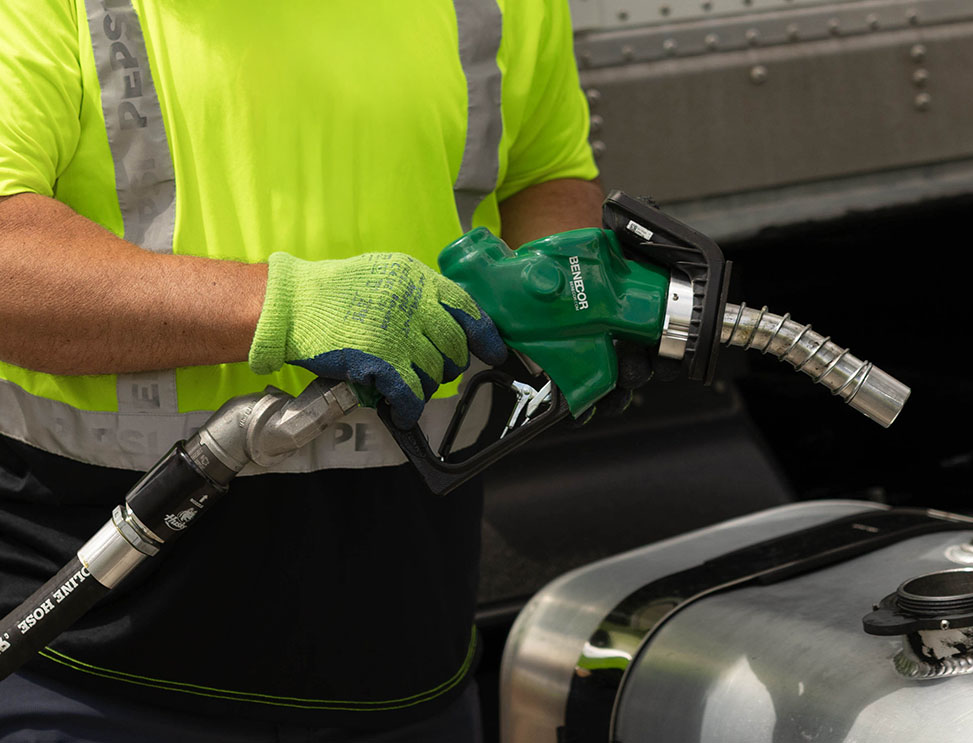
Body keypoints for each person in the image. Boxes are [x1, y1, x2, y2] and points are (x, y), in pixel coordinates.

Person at [0, 0, 602, 740]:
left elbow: (547, 176)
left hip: (410, 653)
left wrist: (569, 297)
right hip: (103, 669)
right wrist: (283, 305)